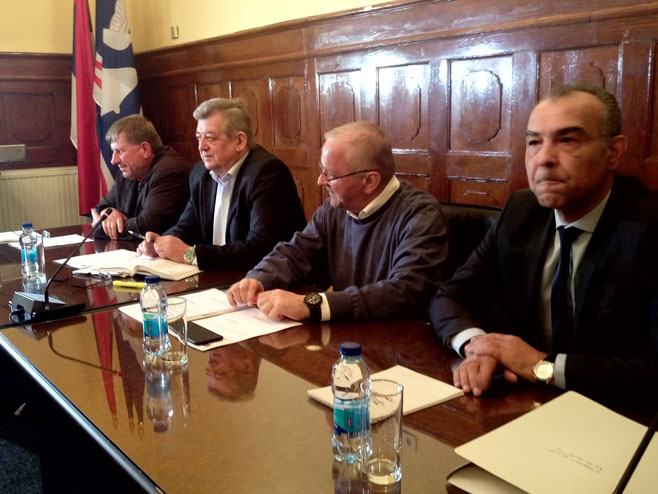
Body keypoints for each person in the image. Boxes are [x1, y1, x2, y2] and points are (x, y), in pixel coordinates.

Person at [429, 84, 658, 402]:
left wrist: (541, 366)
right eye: (534, 142)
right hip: (526, 405)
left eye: (567, 140)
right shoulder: (521, 211)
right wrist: (479, 346)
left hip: (620, 413)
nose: (545, 158)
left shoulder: (648, 229)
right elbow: (450, 296)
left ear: (614, 152)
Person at [227, 121, 449, 323]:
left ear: (369, 181)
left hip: (400, 341)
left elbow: (404, 291)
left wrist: (312, 304)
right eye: (321, 170)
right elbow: (296, 252)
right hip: (347, 333)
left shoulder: (420, 215)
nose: (320, 180)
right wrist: (259, 278)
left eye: (330, 174)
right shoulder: (334, 209)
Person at [137, 98, 306, 270]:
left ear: (239, 141)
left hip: (263, 278)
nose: (201, 147)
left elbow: (259, 249)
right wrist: (161, 244)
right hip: (217, 275)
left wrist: (190, 255)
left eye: (210, 138)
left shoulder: (267, 174)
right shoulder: (200, 174)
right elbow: (186, 227)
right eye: (199, 138)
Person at [92, 115, 190, 240]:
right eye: (113, 152)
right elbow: (101, 207)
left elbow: (146, 227)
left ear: (145, 149)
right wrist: (108, 212)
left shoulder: (169, 172)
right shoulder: (130, 171)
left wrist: (101, 226)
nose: (113, 160)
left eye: (120, 151)